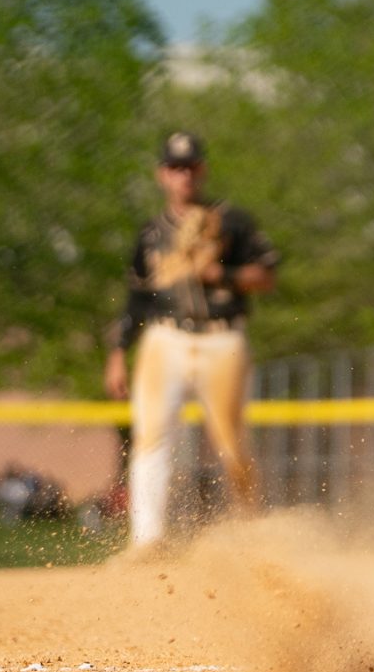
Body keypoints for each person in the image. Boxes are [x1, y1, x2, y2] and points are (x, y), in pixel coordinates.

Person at [105, 132, 279, 552]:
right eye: (174, 167)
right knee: (150, 435)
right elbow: (135, 298)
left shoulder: (233, 221)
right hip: (164, 337)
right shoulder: (150, 234)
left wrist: (222, 274)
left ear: (202, 170)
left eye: (190, 166)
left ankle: (251, 535)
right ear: (162, 174)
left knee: (231, 442)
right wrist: (116, 353)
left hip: (222, 339)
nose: (183, 175)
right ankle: (147, 542)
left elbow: (267, 276)